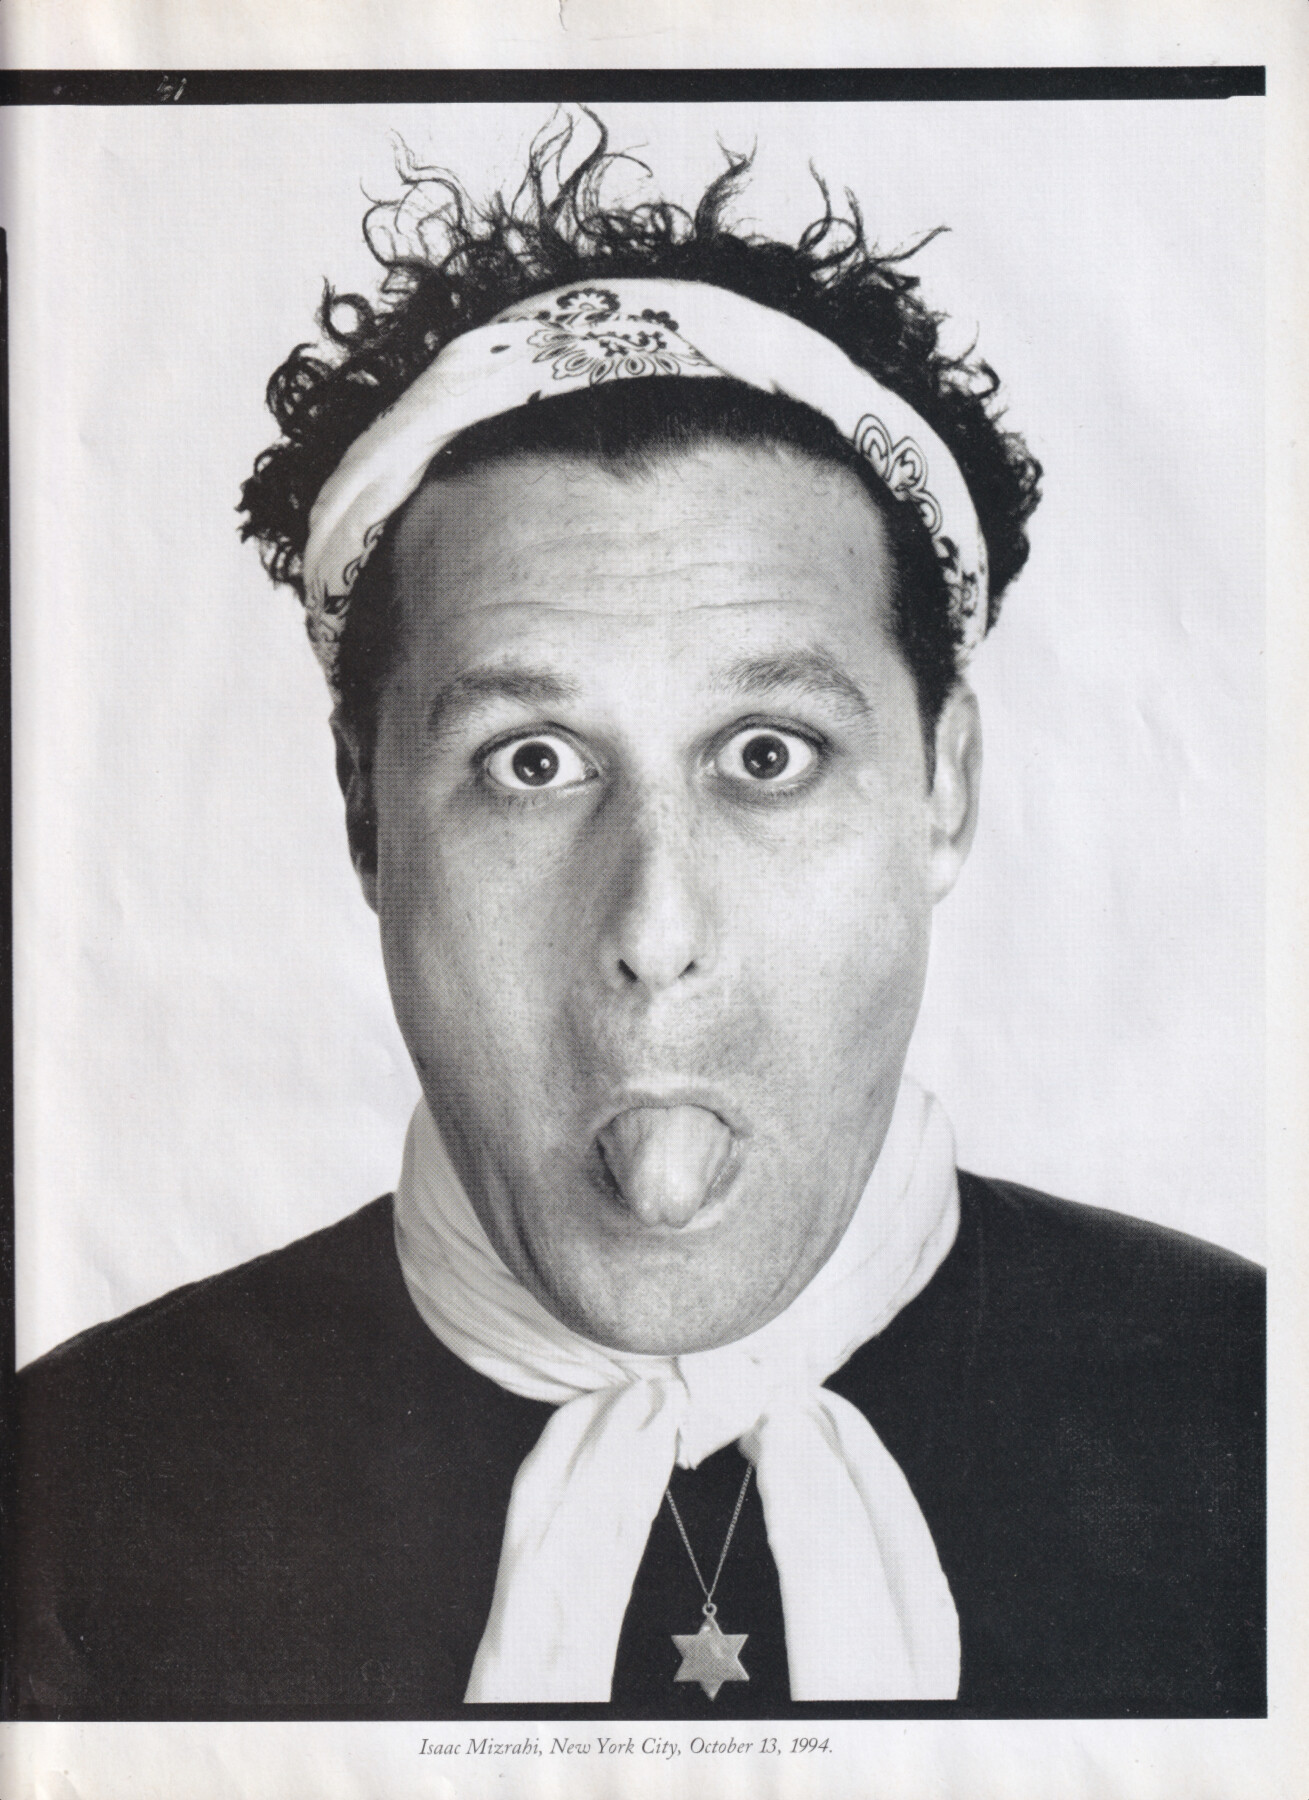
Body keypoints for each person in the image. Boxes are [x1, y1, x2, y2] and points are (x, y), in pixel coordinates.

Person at [7, 116, 1263, 1722]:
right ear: (365, 811)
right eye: (531, 763)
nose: (654, 931)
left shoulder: (1250, 1416)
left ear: (942, 788)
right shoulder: (69, 1487)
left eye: (766, 756)